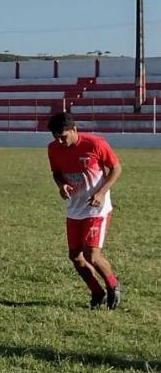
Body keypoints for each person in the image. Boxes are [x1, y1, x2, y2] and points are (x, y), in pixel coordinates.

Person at [47, 113, 122, 309]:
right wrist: (61, 185)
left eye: (63, 136)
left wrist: (101, 192)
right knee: (75, 257)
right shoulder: (53, 149)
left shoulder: (94, 144)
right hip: (74, 209)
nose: (60, 141)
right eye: (56, 137)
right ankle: (98, 293)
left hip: (97, 208)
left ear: (74, 130)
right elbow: (56, 172)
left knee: (92, 255)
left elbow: (116, 168)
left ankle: (113, 284)